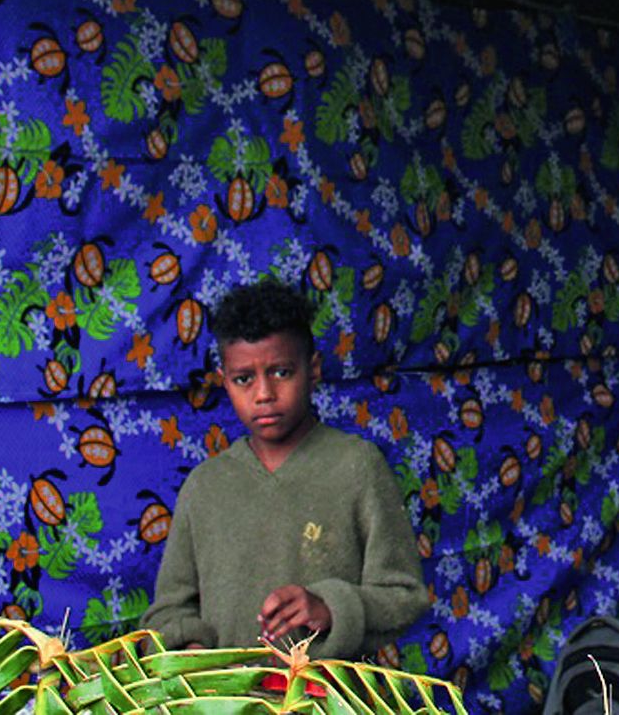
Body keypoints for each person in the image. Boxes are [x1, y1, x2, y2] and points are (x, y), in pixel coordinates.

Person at [143, 280, 432, 657]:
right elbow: (167, 611)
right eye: (244, 379)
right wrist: (191, 649)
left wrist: (331, 607)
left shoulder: (357, 467)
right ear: (225, 382)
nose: (263, 394)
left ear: (312, 369)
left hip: (329, 699)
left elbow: (405, 597)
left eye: (281, 372)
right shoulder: (205, 487)